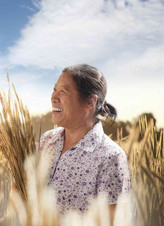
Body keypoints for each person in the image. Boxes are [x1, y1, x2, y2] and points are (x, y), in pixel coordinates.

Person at [39, 64, 131, 217]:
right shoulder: (47, 140)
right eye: (54, 89)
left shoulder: (111, 158)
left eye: (63, 91)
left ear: (90, 102)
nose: (54, 97)